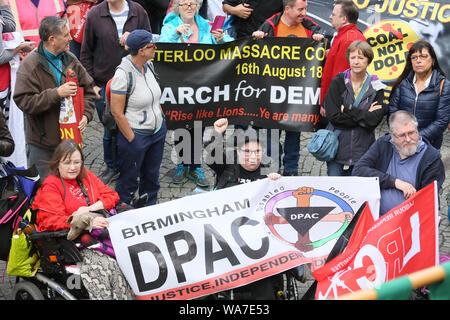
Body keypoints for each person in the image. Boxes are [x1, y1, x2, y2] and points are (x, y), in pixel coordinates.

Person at [31, 139, 134, 300]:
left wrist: (89, 209)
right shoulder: (52, 185)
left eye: (77, 162)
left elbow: (112, 196)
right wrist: (86, 222)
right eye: (67, 163)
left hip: (102, 233)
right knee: (110, 265)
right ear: (58, 164)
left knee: (130, 254)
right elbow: (52, 221)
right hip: (73, 241)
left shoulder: (86, 175)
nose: (73, 167)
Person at [159, 0, 233, 188]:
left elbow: (233, 45)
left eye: (193, 3)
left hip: (202, 87)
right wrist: (176, 35)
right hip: (179, 88)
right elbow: (161, 49)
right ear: (178, 6)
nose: (189, 7)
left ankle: (195, 166)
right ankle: (183, 164)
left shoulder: (207, 26)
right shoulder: (170, 26)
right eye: (185, 4)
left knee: (198, 125)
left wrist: (221, 39)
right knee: (181, 124)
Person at [206, 117, 283, 299]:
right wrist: (217, 133)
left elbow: (280, 209)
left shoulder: (268, 171)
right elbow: (211, 156)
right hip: (226, 235)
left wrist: (276, 186)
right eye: (247, 151)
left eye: (257, 151)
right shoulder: (227, 167)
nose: (252, 156)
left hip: (258, 240)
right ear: (238, 152)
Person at [14, 16, 96, 179]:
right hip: (43, 144)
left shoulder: (70, 59)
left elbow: (88, 91)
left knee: (72, 186)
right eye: (66, 35)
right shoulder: (30, 65)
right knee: (44, 191)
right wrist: (57, 93)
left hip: (71, 141)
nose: (70, 38)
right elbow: (24, 102)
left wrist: (86, 115)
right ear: (52, 39)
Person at [80, 0, 151, 185]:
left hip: (134, 83)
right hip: (105, 84)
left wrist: (134, 37)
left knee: (135, 126)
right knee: (109, 129)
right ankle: (111, 167)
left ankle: (133, 165)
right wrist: (92, 86)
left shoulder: (138, 11)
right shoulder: (95, 14)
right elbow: (86, 53)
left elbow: (149, 45)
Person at [252, 0, 323, 176]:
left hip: (297, 93)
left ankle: (291, 169)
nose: (304, 13)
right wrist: (257, 39)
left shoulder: (311, 27)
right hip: (272, 92)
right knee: (270, 133)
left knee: (295, 132)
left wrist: (320, 40)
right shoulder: (269, 25)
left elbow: (323, 46)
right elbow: (254, 55)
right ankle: (272, 168)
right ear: (287, 9)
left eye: (305, 9)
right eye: (300, 9)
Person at [110, 30, 166, 207]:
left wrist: (161, 120)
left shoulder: (149, 65)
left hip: (156, 132)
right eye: (152, 46)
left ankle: (149, 210)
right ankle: (122, 212)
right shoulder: (123, 74)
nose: (155, 48)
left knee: (152, 177)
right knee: (128, 180)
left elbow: (156, 97)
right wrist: (132, 139)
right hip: (136, 135)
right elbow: (117, 113)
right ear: (141, 51)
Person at [352, 110, 445, 216]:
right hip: (376, 219)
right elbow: (358, 170)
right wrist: (395, 182)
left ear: (417, 130)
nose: (408, 139)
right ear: (392, 136)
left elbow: (428, 201)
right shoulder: (383, 144)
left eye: (411, 133)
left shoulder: (431, 158)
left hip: (407, 223)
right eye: (402, 135)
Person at [323, 40, 386, 176]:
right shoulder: (338, 81)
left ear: (368, 61)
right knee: (335, 187)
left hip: (363, 149)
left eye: (361, 58)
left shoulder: (376, 85)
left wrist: (347, 109)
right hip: (337, 147)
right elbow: (333, 117)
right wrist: (363, 116)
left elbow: (373, 121)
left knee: (357, 191)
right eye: (353, 58)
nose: (356, 62)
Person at [388, 40, 450, 150]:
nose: (418, 61)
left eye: (423, 56)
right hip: (402, 144)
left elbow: (441, 121)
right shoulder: (403, 83)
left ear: (433, 60)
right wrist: (402, 136)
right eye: (414, 57)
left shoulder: (443, 85)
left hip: (428, 146)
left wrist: (416, 138)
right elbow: (392, 111)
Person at [320, 0, 366, 115]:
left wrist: (328, 103)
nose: (330, 16)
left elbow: (340, 78)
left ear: (344, 19)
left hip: (340, 107)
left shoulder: (347, 40)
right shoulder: (349, 36)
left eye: (334, 14)